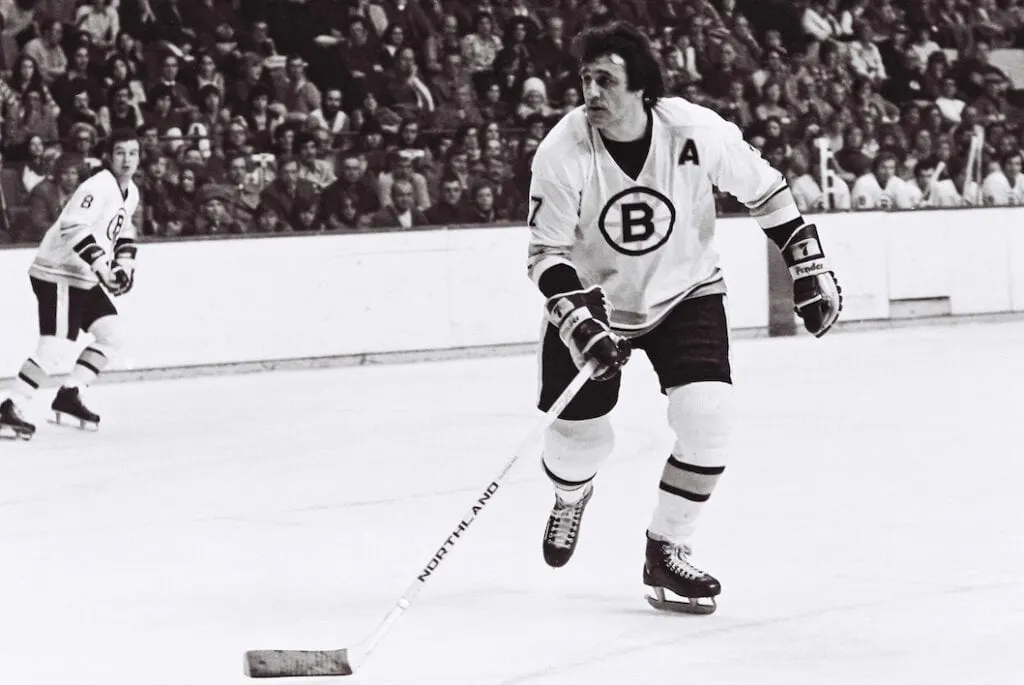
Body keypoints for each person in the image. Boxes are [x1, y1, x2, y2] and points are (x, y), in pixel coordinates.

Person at [527, 22, 843, 614]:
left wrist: (805, 262)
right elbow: (546, 254)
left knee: (708, 417)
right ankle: (570, 496)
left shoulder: (696, 131)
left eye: (606, 80)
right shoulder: (562, 151)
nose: (591, 92)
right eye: (586, 79)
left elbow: (767, 190)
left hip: (685, 291)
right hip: (594, 305)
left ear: (641, 86)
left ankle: (667, 548)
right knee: (577, 446)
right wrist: (578, 322)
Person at [0, 129, 141, 440]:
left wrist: (124, 268)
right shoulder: (98, 186)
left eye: (133, 152)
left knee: (112, 335)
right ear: (108, 157)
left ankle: (70, 394)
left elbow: (124, 231)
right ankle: (11, 405)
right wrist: (104, 267)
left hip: (83, 275)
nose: (127, 159)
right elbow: (72, 225)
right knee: (56, 345)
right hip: (58, 272)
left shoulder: (131, 192)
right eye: (120, 152)